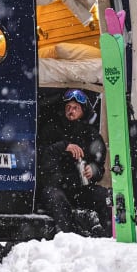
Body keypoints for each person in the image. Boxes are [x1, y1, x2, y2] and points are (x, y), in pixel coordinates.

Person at [37, 89, 111, 237]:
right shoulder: (50, 129)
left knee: (104, 196)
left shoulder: (91, 135)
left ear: (83, 111)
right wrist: (63, 146)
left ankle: (108, 238)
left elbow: (99, 165)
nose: (71, 111)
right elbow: (40, 155)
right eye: (68, 107)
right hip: (54, 187)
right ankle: (70, 240)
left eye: (75, 108)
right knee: (57, 199)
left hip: (79, 189)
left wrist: (93, 170)